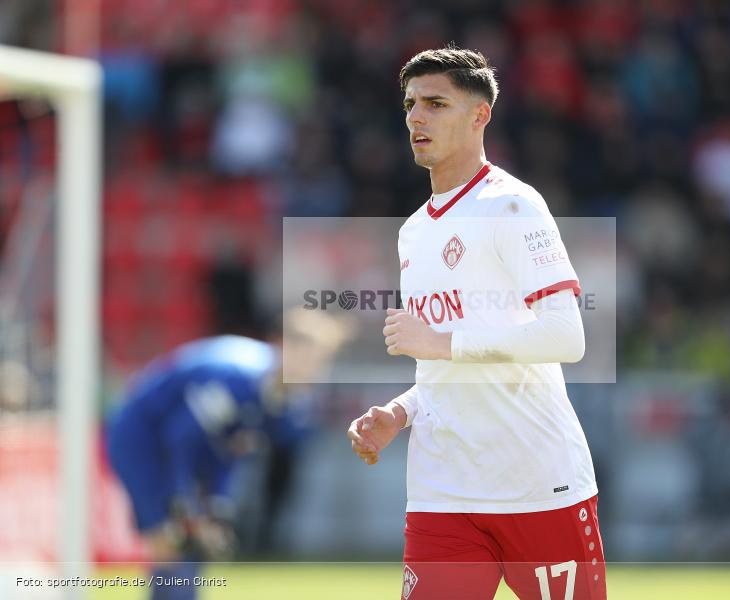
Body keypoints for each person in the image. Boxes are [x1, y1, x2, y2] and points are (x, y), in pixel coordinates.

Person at [347, 46, 606, 600]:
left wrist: (444, 342)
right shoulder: (412, 231)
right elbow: (443, 363)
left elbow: (567, 336)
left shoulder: (515, 207)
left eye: (436, 103)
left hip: (537, 485)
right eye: (411, 104)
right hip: (443, 491)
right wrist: (401, 411)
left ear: (479, 115)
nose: (416, 117)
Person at [107, 309, 350, 600]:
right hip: (142, 440)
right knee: (170, 542)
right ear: (280, 344)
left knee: (194, 546)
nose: (309, 367)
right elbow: (180, 436)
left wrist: (218, 505)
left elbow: (229, 448)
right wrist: (182, 501)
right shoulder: (239, 380)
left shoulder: (282, 404)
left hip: (181, 449)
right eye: (304, 354)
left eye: (318, 359)